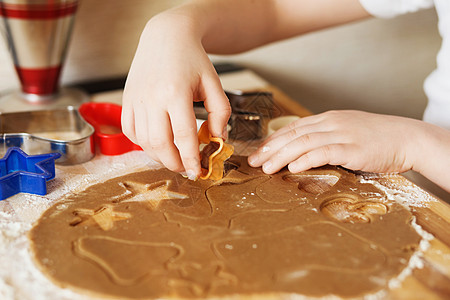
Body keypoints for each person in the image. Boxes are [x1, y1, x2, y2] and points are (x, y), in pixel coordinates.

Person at [121, 0, 450, 193]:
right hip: (432, 196)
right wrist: (174, 25)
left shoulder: (416, 146)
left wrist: (418, 144)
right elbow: (274, 10)